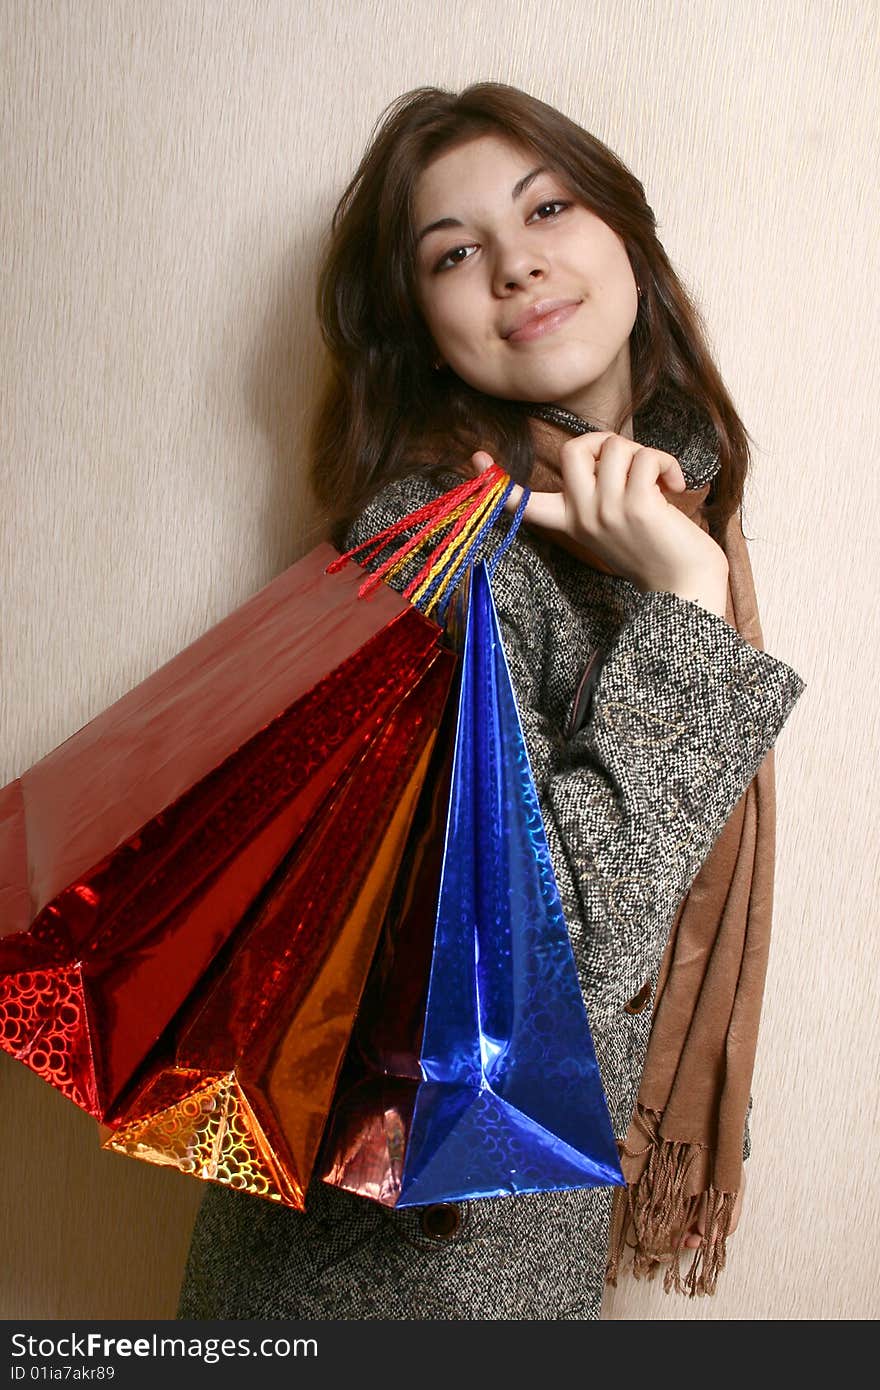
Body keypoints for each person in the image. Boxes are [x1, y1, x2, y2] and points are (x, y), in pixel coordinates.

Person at [175, 82, 806, 1321]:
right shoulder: (427, 555)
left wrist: (679, 573)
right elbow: (535, 979)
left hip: (524, 1255)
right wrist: (683, 603)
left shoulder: (673, 504)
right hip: (385, 1279)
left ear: (628, 237)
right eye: (455, 252)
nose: (516, 264)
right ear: (418, 324)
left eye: (549, 207)